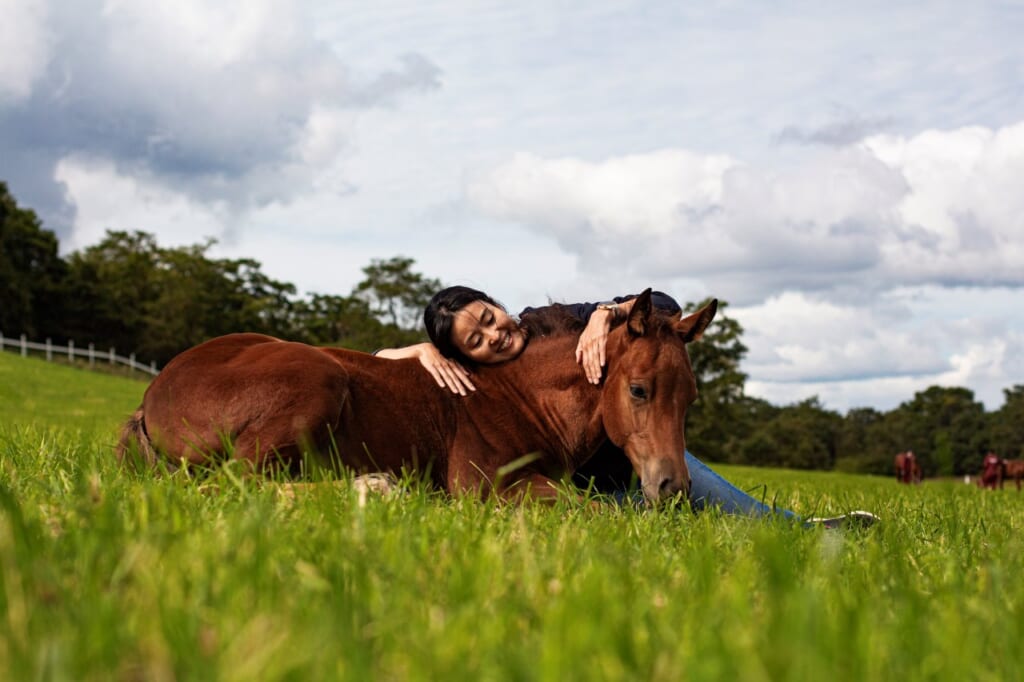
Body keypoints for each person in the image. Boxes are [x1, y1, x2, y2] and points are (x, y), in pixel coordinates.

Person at [377, 286, 877, 529]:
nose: (494, 334)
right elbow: (378, 365)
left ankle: (799, 531)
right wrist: (420, 350)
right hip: (568, 474)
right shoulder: (477, 374)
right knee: (653, 518)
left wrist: (605, 314)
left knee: (714, 498)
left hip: (626, 448)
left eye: (488, 316)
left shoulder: (550, 320)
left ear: (495, 302)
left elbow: (664, 302)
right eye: (475, 339)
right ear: (462, 354)